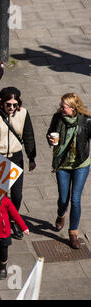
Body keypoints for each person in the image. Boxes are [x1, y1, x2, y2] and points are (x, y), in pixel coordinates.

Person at [0, 87, 37, 240]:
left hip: (16, 158)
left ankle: (13, 220)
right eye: (8, 105)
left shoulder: (23, 113)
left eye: (15, 104)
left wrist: (32, 158)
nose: (12, 108)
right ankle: (0, 223)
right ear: (2, 103)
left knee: (17, 196)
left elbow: (28, 135)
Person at [47, 93, 91, 249]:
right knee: (63, 199)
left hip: (81, 164)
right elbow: (50, 132)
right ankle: (61, 214)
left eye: (63, 106)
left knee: (76, 199)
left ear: (73, 108)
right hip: (62, 164)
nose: (60, 107)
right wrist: (51, 140)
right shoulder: (57, 118)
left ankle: (73, 233)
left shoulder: (86, 121)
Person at [0, 195, 29, 296]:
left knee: (4, 254)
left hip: (5, 234)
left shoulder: (6, 201)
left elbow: (15, 215)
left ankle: (2, 268)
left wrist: (24, 227)